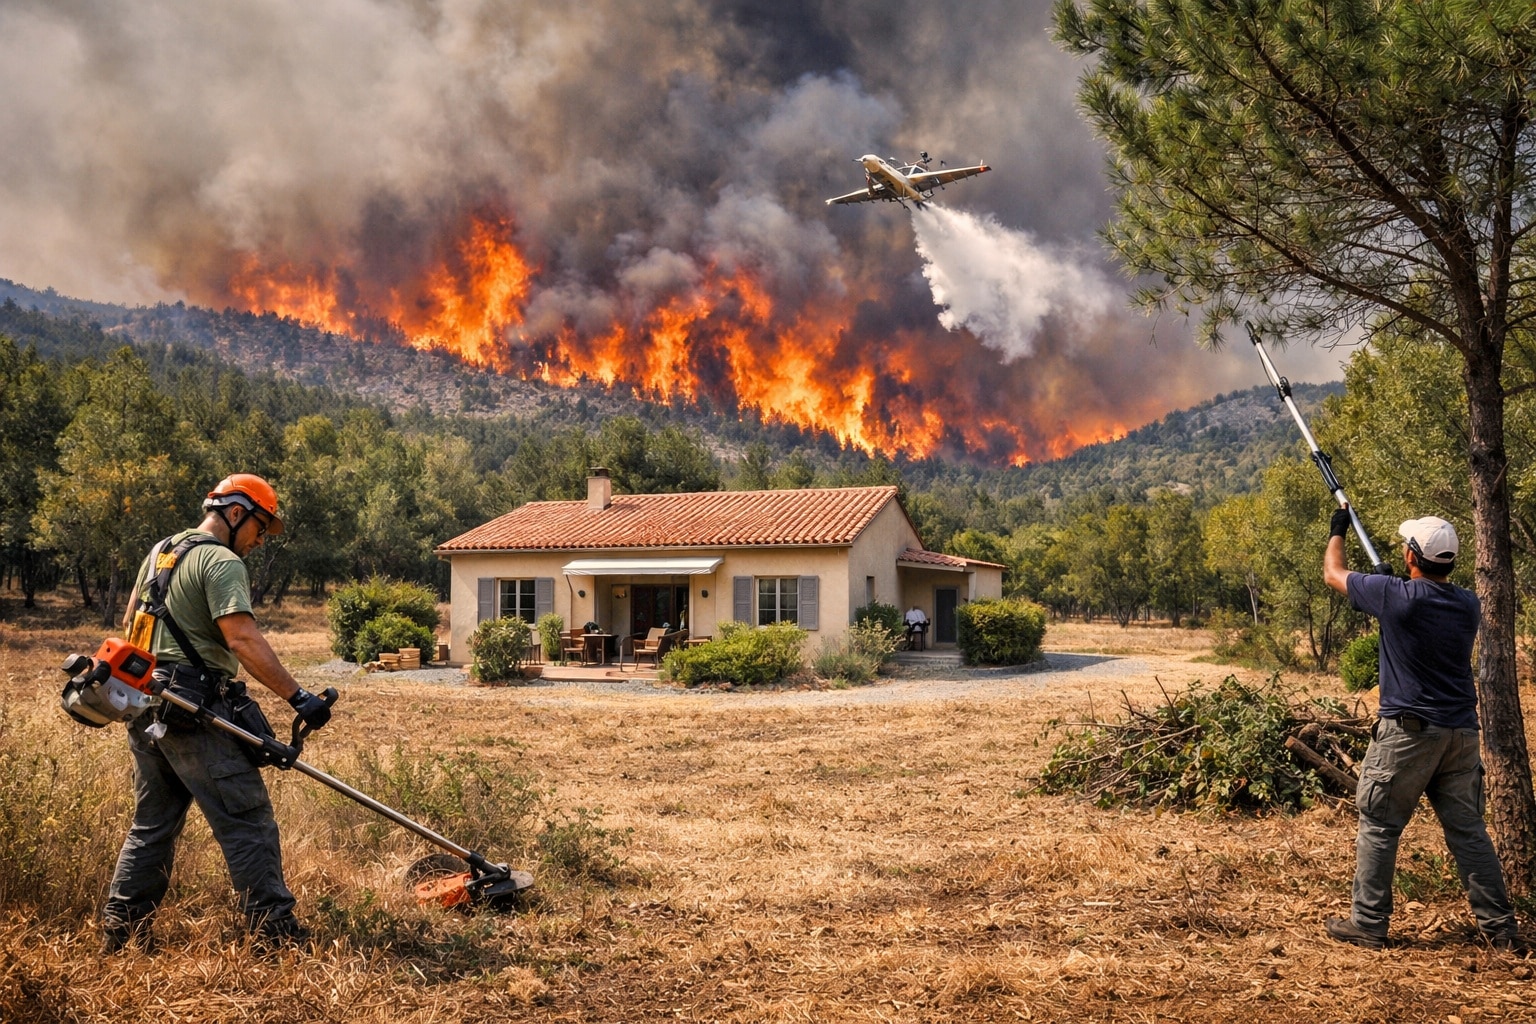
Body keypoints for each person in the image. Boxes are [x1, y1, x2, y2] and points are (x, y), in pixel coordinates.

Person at [101, 474, 335, 953]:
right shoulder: (221, 560)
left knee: (152, 826)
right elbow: (242, 638)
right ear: (235, 514)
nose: (259, 541)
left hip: (146, 704)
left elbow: (130, 622)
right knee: (247, 819)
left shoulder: (162, 551)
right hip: (193, 711)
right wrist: (298, 697)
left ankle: (120, 934)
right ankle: (274, 934)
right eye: (260, 529)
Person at [1321, 508, 1520, 950]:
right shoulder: (1467, 602)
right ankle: (1501, 930)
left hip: (1409, 735)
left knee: (1379, 824)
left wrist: (1338, 530)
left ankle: (1369, 924)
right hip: (1461, 736)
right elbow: (1416, 603)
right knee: (1469, 833)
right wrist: (1393, 584)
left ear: (1412, 556)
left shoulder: (1396, 596)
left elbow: (1333, 572)